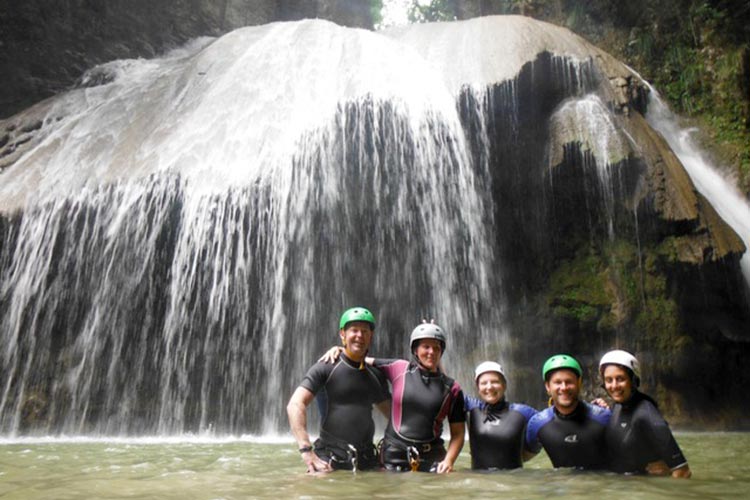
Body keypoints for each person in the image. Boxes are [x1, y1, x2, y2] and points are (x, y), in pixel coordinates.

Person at [321, 321, 466, 473]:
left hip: (432, 455)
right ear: (415, 350)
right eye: (426, 347)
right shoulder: (399, 368)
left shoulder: (452, 388)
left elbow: (458, 433)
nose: (431, 352)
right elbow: (360, 359)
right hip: (394, 454)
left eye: (436, 348)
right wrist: (340, 349)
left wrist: (449, 461)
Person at [286, 307, 390, 473]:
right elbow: (295, 404)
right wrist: (306, 451)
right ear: (343, 334)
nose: (359, 336)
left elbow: (394, 417)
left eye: (365, 331)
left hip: (368, 461)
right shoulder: (326, 367)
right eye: (354, 330)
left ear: (371, 336)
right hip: (329, 461)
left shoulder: (375, 374)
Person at [598, 349, 692, 478]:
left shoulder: (646, 413)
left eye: (620, 379)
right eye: (609, 380)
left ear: (633, 380)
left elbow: (683, 471)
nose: (614, 386)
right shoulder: (617, 407)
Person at [525, 354, 611, 469]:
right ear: (547, 386)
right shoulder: (537, 424)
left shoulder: (603, 418)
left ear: (579, 383)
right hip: (560, 485)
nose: (564, 387)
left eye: (569, 382)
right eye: (557, 382)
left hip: (601, 485)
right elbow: (524, 457)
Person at [464, 361, 537, 470]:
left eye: (495, 382)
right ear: (478, 388)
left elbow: (548, 426)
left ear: (504, 385)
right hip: (479, 482)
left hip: (513, 483)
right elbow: (448, 388)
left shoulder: (523, 412)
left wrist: (531, 449)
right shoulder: (472, 408)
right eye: (484, 383)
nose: (489, 387)